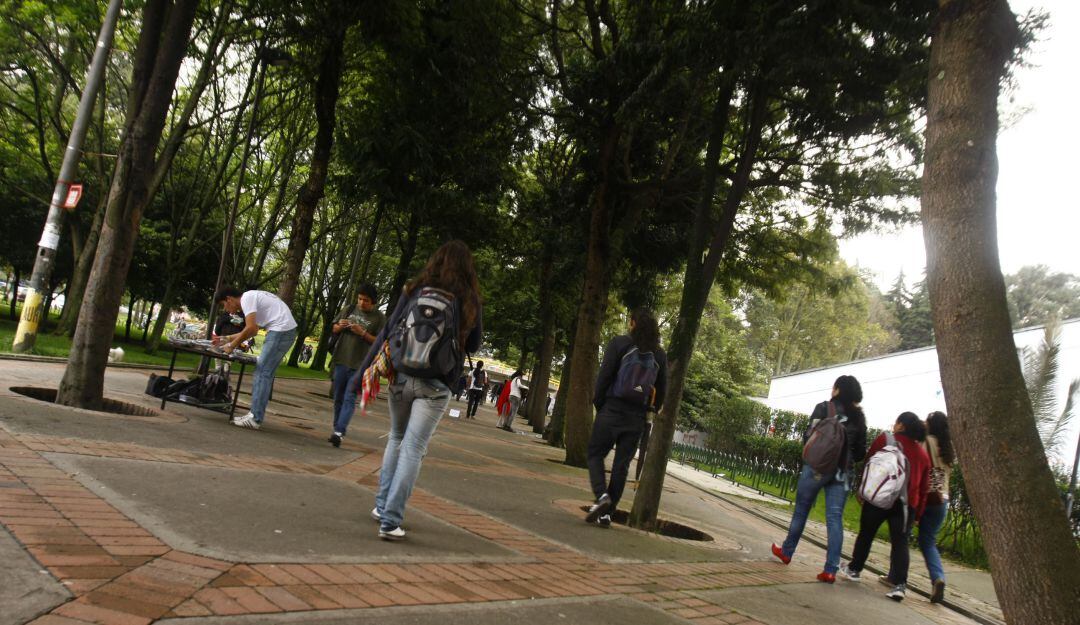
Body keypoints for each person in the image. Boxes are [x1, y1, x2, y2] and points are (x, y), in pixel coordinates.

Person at [351, 240, 482, 541]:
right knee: (414, 448)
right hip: (436, 384)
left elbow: (388, 330)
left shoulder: (413, 290)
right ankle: (391, 520)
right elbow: (473, 346)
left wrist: (362, 371)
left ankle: (381, 507)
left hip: (401, 375)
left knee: (396, 438)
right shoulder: (469, 299)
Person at [771, 375, 867, 582]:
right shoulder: (859, 418)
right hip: (843, 473)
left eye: (834, 386)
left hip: (817, 467)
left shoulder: (825, 408)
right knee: (835, 517)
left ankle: (787, 551)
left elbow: (809, 436)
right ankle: (830, 569)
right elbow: (860, 452)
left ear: (838, 390)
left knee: (801, 510)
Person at [584, 308, 668, 528]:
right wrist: (650, 410)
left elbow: (604, 376)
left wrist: (601, 404)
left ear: (633, 323)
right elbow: (662, 389)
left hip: (611, 409)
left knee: (595, 454)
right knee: (621, 466)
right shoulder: (659, 354)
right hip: (636, 417)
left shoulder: (619, 343)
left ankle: (602, 497)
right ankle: (607, 514)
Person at [840, 412, 931, 602]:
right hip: (906, 504)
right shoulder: (922, 455)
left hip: (878, 498)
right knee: (900, 543)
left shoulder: (885, 439)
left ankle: (855, 569)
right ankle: (899, 585)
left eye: (897, 422)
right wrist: (917, 514)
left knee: (866, 533)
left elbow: (869, 464)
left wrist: (862, 490)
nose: (894, 424)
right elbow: (924, 489)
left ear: (901, 425)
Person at [881, 411, 952, 602]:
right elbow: (941, 477)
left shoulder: (926, 441)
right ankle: (938, 578)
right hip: (941, 500)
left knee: (901, 537)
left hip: (923, 496)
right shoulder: (948, 448)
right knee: (928, 542)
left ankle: (894, 577)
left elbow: (916, 461)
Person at [213, 287, 297, 429]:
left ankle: (255, 418)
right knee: (264, 373)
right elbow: (254, 329)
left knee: (262, 373)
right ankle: (254, 415)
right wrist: (225, 339)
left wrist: (232, 345)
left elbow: (251, 329)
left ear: (229, 299)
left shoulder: (247, 299)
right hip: (283, 331)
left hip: (280, 331)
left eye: (224, 305)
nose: (226, 310)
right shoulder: (251, 297)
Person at [328, 285, 386, 447]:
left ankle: (339, 431)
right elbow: (334, 328)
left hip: (361, 365)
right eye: (359, 299)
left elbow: (381, 342)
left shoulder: (379, 318)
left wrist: (362, 333)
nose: (361, 303)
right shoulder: (349, 309)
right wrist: (341, 326)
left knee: (349, 398)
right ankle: (337, 430)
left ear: (373, 302)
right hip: (341, 359)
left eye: (366, 300)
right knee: (338, 397)